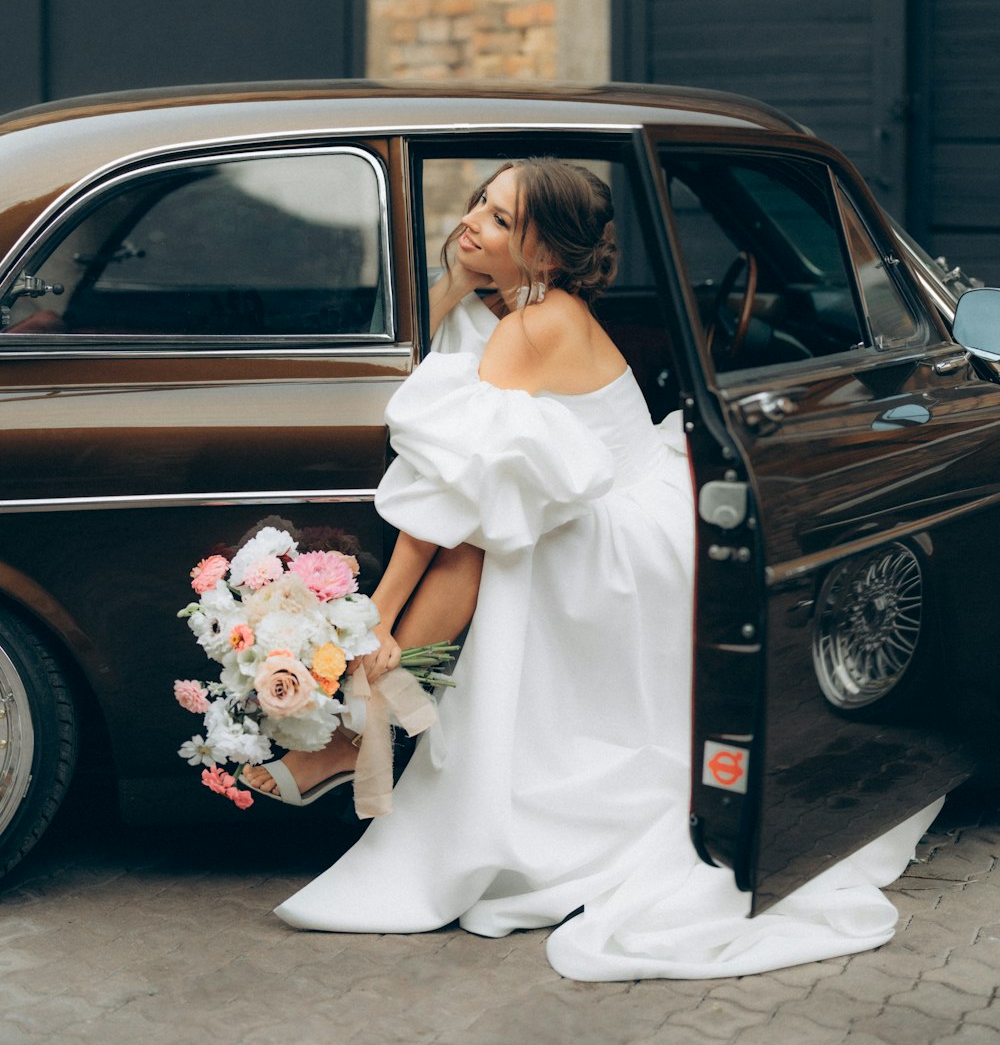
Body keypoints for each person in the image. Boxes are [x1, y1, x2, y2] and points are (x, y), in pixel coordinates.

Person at [246, 158, 940, 980]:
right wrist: (454, 272)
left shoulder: (532, 325)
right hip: (645, 496)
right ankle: (363, 728)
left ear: (545, 259)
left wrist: (378, 621)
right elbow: (441, 366)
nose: (473, 222)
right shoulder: (518, 306)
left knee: (483, 537)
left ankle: (363, 718)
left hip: (628, 540)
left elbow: (447, 490)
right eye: (480, 204)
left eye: (502, 221)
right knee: (490, 529)